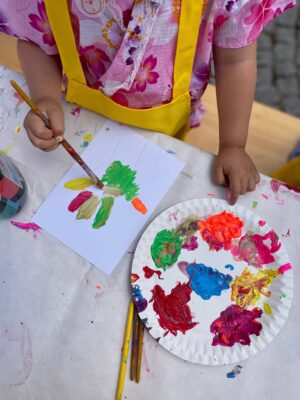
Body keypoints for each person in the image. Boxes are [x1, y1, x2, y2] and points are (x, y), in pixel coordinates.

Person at [0, 0, 296, 203]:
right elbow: (35, 37)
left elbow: (235, 60)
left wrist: (233, 145)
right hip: (80, 116)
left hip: (167, 121)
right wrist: (44, 95)